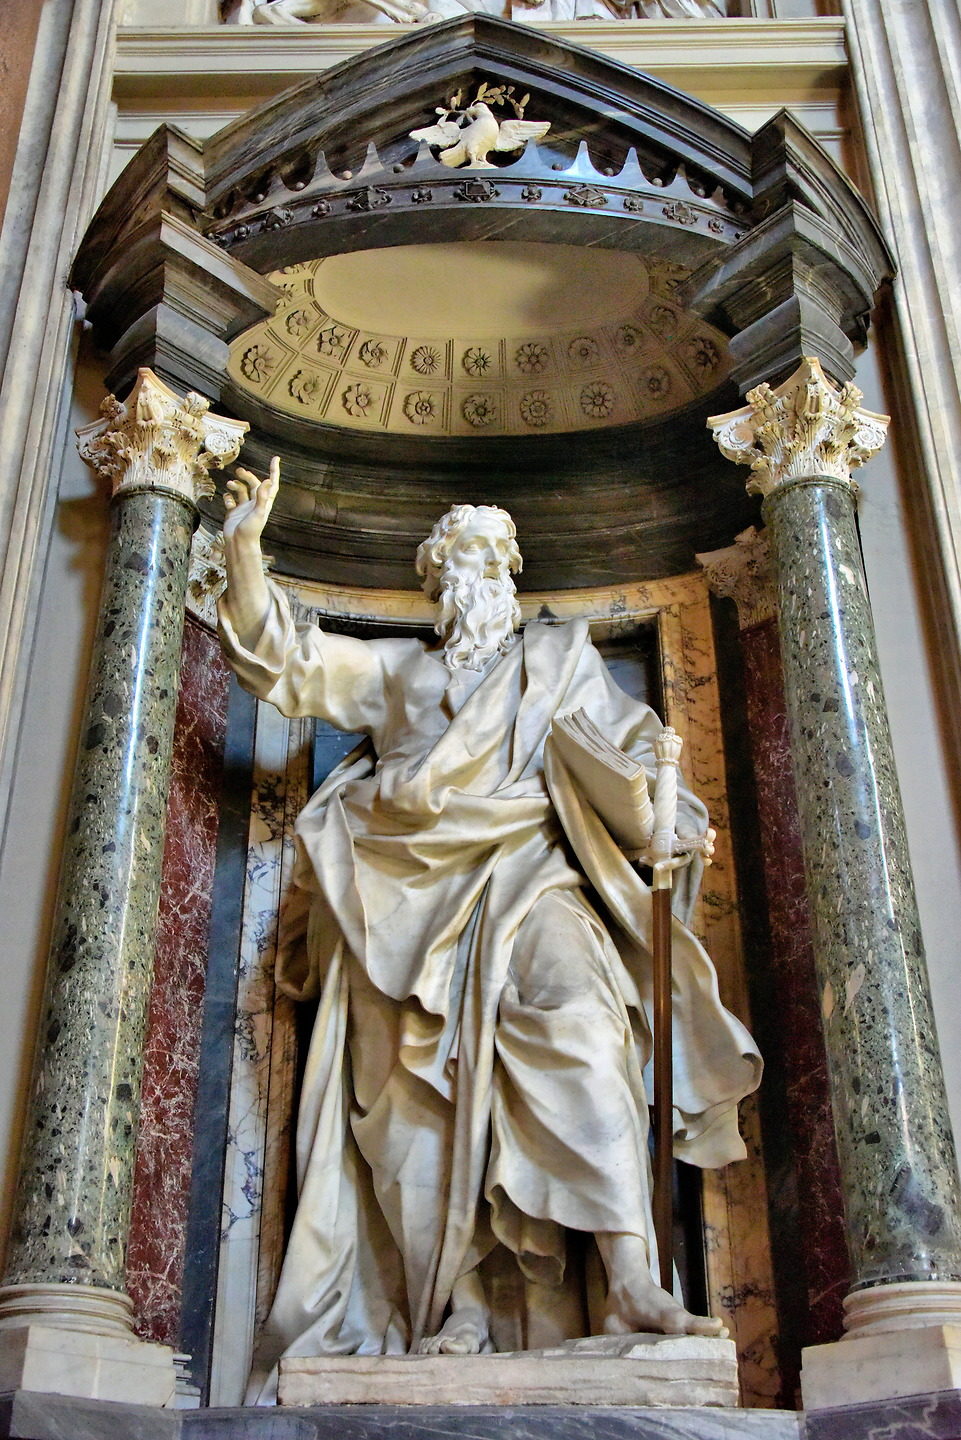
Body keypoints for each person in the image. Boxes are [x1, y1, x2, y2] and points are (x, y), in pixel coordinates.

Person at [218, 458, 761, 1399]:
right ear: (437, 585)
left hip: (536, 880)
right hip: (402, 906)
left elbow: (636, 761)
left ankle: (632, 1280)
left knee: (586, 1031)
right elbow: (291, 666)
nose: (481, 580)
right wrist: (243, 551)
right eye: (461, 563)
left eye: (493, 562)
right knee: (418, 1109)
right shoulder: (399, 676)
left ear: (512, 577)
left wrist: (669, 827)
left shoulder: (559, 666)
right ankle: (453, 1303)